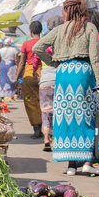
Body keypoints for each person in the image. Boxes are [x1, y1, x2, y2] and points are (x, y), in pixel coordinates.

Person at [33, 0, 99, 176]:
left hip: (63, 74)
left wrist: (55, 63)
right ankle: (88, 162)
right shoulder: (89, 28)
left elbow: (38, 47)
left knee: (67, 116)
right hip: (83, 74)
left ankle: (71, 166)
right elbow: (95, 57)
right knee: (87, 115)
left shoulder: (59, 30)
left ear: (68, 11)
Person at [39, 15, 63, 152]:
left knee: (46, 110)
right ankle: (57, 139)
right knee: (59, 110)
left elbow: (36, 60)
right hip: (60, 78)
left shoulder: (45, 41)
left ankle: (46, 138)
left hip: (45, 80)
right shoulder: (63, 41)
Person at [19, 22, 44, 138]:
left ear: (31, 32)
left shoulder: (26, 44)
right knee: (44, 101)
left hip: (29, 74)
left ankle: (36, 130)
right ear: (41, 31)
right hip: (43, 73)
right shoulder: (45, 42)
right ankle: (47, 129)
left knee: (30, 101)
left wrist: (17, 78)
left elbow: (21, 63)